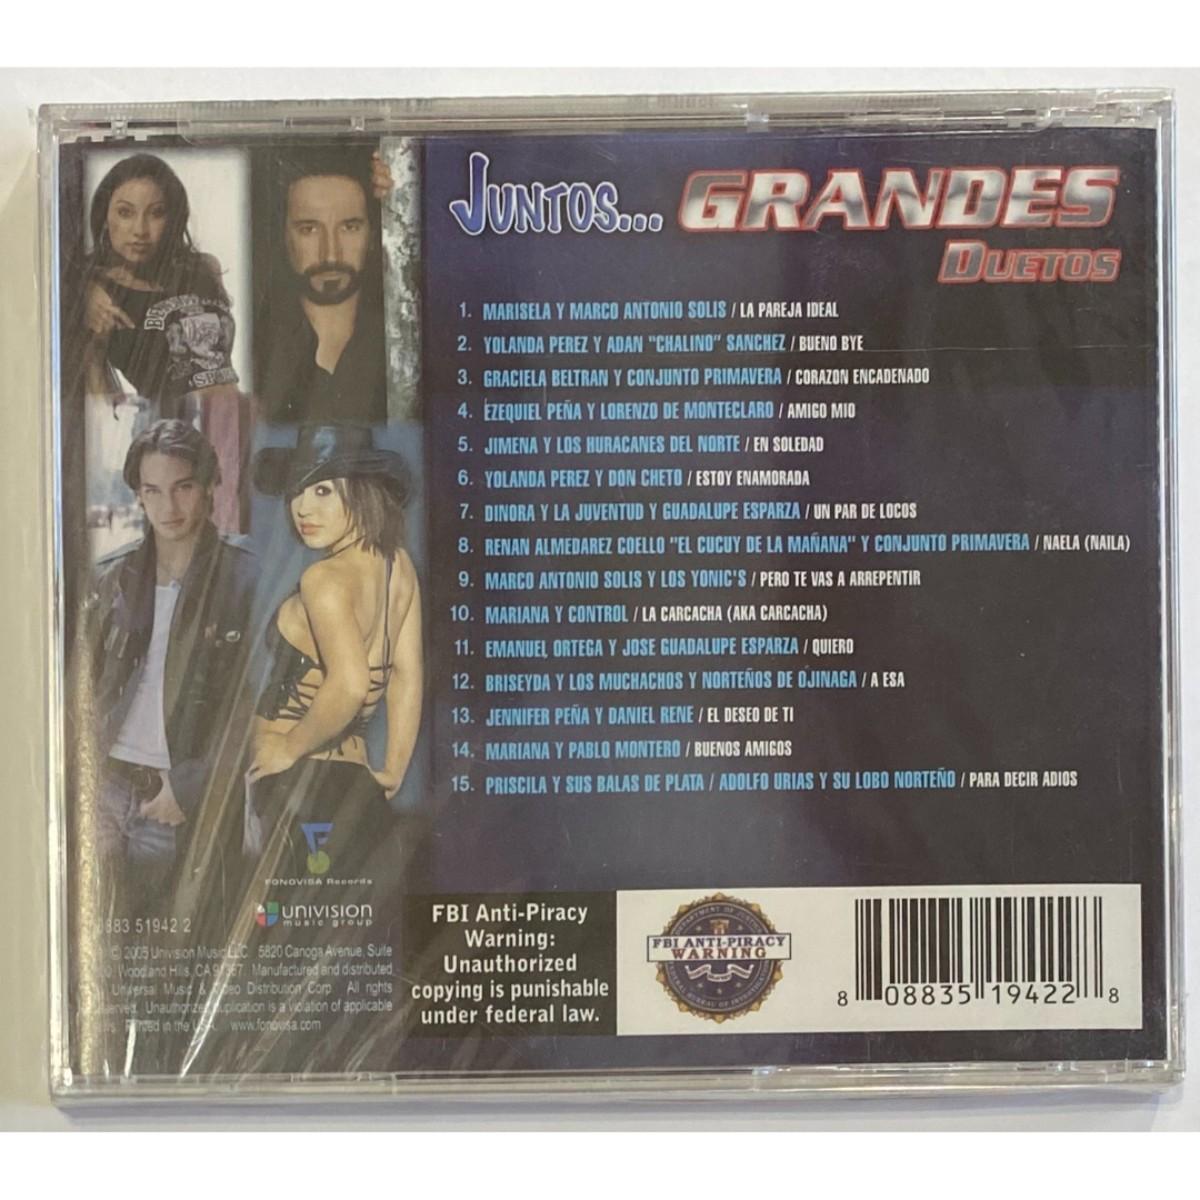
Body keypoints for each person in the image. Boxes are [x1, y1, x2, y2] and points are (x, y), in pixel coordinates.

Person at [80, 419, 256, 906]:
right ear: (139, 496)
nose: (168, 507)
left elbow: (259, 706)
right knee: (100, 933)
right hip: (107, 790)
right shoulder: (111, 578)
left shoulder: (246, 577)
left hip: (179, 794)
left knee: (179, 935)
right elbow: (83, 692)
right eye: (153, 491)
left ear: (209, 486)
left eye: (183, 487)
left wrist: (190, 787)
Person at [246, 423, 422, 893]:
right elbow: (405, 674)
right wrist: (395, 768)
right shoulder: (397, 565)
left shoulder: (324, 579)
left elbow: (349, 683)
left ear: (363, 490)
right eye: (297, 491)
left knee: (287, 923)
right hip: (354, 785)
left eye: (322, 490)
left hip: (296, 785)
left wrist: (289, 746)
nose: (302, 508)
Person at [77, 153, 239, 408]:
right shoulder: (96, 293)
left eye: (156, 213)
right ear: (105, 216)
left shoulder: (204, 267)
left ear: (173, 217)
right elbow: (100, 390)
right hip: (179, 426)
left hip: (237, 415)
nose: (140, 230)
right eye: (125, 212)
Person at [254, 147, 393, 424]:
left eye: (350, 227)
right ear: (283, 236)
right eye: (309, 229)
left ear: (373, 233)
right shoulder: (255, 342)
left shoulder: (405, 341)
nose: (330, 254)